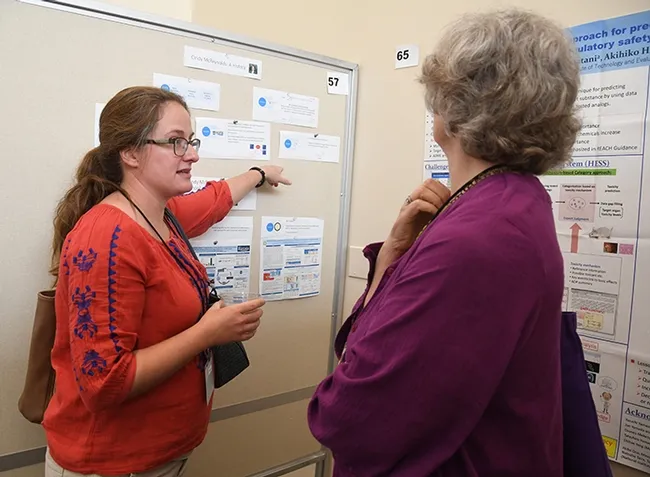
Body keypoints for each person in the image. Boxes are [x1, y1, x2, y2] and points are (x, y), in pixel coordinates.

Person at [308, 9, 582, 476]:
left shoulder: (478, 238)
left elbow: (349, 420)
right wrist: (394, 255)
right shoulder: (515, 201)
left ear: (452, 111)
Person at [43, 86, 291, 476]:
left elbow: (213, 202)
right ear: (130, 153)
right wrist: (208, 333)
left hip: (159, 452)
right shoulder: (108, 237)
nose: (192, 154)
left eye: (190, 141)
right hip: (113, 463)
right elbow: (104, 382)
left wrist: (258, 174)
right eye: (176, 142)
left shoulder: (160, 214)